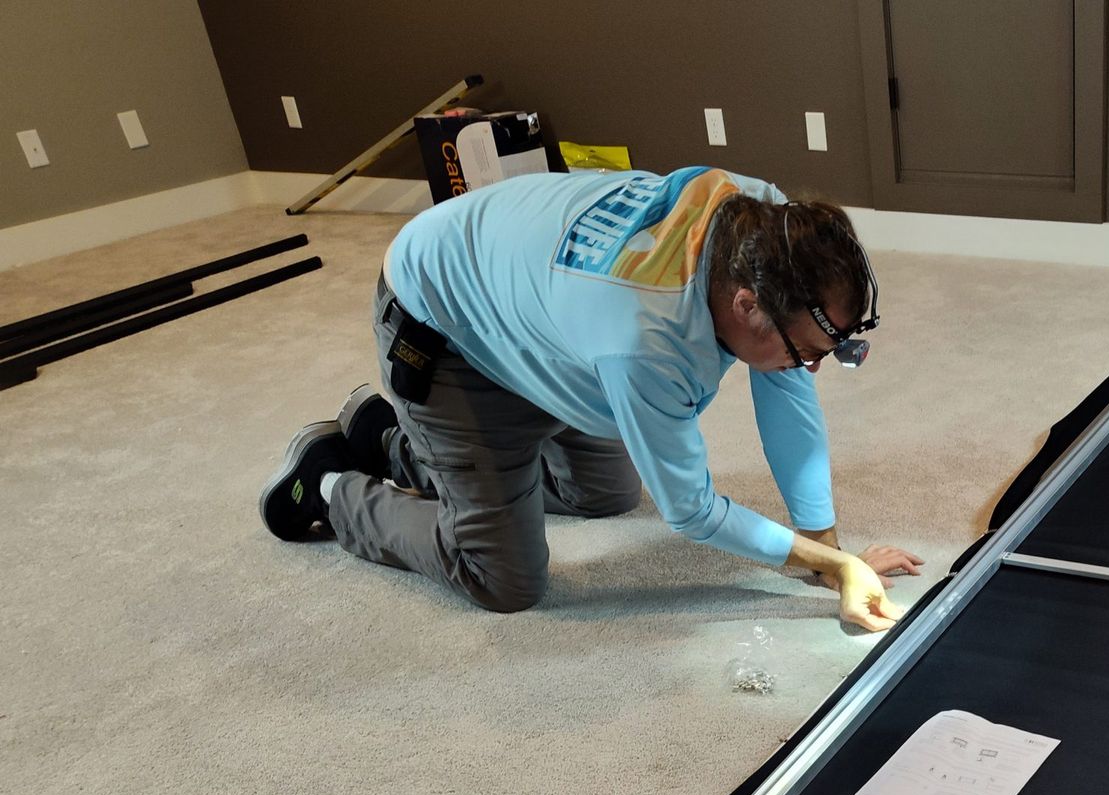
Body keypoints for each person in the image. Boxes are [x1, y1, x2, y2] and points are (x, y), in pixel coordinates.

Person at [258, 164, 922, 629]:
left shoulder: (768, 228)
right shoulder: (643, 338)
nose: (809, 369)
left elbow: (785, 391)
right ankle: (331, 485)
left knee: (605, 493)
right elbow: (690, 511)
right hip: (445, 327)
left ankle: (390, 441)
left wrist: (824, 549)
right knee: (503, 579)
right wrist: (831, 563)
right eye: (805, 351)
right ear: (747, 305)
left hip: (541, 320)